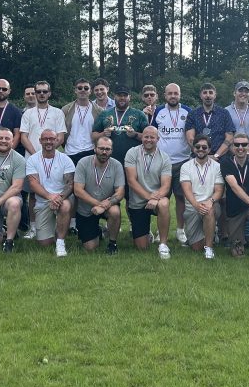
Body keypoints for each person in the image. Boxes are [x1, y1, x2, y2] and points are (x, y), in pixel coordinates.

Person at [124, 126, 173, 259]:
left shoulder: (165, 158)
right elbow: (131, 181)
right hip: (138, 202)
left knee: (164, 203)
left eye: (152, 137)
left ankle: (163, 244)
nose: (149, 140)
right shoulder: (132, 153)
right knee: (141, 247)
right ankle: (146, 234)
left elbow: (166, 186)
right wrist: (148, 197)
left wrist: (155, 198)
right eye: (146, 137)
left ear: (158, 139)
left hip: (157, 200)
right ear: (142, 137)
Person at [152, 83, 193, 244]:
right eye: (170, 93)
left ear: (180, 94)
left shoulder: (188, 111)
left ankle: (180, 230)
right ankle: (159, 231)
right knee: (161, 198)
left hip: (183, 161)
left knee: (181, 198)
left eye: (176, 93)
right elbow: (151, 132)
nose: (173, 96)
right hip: (162, 162)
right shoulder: (158, 111)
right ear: (165, 95)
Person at [25, 129, 75, 257]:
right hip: (43, 201)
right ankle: (56, 229)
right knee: (44, 243)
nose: (48, 141)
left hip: (61, 199)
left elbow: (70, 184)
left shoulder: (65, 159)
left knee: (65, 206)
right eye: (45, 139)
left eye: (52, 139)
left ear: (56, 140)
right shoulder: (32, 160)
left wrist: (59, 198)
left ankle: (60, 242)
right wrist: (50, 197)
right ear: (40, 141)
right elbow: (33, 183)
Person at [220, 133, 249, 263]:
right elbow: (234, 186)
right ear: (232, 147)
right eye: (237, 144)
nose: (240, 147)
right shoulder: (226, 162)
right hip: (234, 208)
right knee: (238, 253)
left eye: (244, 144)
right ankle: (243, 237)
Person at [73, 137, 125, 254]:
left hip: (108, 205)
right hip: (86, 209)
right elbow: (78, 190)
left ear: (111, 151)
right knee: (90, 247)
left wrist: (106, 205)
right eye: (101, 148)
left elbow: (120, 192)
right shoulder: (83, 163)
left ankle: (112, 243)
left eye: (108, 149)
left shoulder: (116, 165)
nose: (104, 152)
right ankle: (99, 231)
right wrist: (98, 204)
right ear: (94, 149)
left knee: (115, 211)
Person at [180, 135, 225, 259]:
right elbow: (186, 189)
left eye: (204, 147)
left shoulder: (217, 167)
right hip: (192, 207)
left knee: (209, 211)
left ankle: (209, 249)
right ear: (193, 148)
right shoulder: (186, 166)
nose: (201, 149)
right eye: (197, 146)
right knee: (196, 247)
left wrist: (210, 201)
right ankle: (211, 233)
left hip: (211, 204)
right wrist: (196, 205)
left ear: (209, 149)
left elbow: (219, 190)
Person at [91, 84, 147, 165]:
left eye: (125, 95)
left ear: (129, 97)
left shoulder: (139, 114)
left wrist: (135, 134)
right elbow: (93, 136)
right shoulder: (104, 114)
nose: (122, 98)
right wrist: (103, 134)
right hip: (108, 160)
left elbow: (149, 138)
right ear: (114, 97)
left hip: (133, 161)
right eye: (119, 95)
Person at [186, 83, 235, 160]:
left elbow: (229, 138)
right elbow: (190, 139)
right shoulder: (192, 114)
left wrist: (216, 156)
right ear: (201, 95)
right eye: (205, 93)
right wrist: (202, 155)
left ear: (215, 95)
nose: (208, 95)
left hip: (220, 158)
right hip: (198, 158)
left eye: (211, 92)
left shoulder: (224, 113)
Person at [62, 78, 104, 164]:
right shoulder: (66, 110)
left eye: (86, 88)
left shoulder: (99, 111)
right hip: (71, 152)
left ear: (90, 91)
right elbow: (62, 132)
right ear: (75, 90)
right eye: (80, 88)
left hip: (91, 151)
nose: (83, 90)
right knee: (70, 178)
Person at [20, 81, 67, 155]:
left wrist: (47, 152)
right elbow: (23, 138)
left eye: (45, 91)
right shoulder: (27, 113)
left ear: (49, 93)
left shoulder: (58, 112)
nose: (42, 94)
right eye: (39, 91)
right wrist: (36, 155)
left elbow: (60, 137)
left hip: (51, 156)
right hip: (31, 157)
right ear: (35, 94)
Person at [226, 81, 249, 157]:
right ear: (234, 93)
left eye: (246, 91)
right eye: (240, 91)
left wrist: (248, 153)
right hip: (229, 156)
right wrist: (236, 153)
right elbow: (223, 136)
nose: (243, 94)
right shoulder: (226, 111)